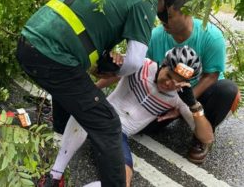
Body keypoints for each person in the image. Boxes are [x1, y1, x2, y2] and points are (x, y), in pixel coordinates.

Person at [16, 0, 179, 186]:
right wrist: (113, 72)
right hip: (54, 56)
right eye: (164, 7)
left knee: (81, 99)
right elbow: (134, 62)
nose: (160, 13)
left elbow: (86, 28)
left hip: (29, 43)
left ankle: (55, 173)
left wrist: (101, 62)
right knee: (107, 123)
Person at [44, 46, 214, 187]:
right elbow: (98, 77)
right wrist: (107, 63)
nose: (170, 84)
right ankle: (55, 176)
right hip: (102, 115)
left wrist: (193, 106)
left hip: (118, 134)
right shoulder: (141, 66)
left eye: (177, 83)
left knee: (122, 183)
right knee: (87, 108)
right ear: (163, 64)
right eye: (169, 76)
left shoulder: (180, 97)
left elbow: (207, 137)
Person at [146, 0, 240, 164]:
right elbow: (144, 71)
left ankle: (201, 136)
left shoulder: (211, 36)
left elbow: (211, 76)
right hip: (168, 92)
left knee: (227, 89)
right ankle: (182, 116)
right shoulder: (155, 37)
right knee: (146, 129)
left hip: (198, 93)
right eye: (161, 16)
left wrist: (186, 103)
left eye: (170, 16)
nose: (164, 21)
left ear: (187, 12)